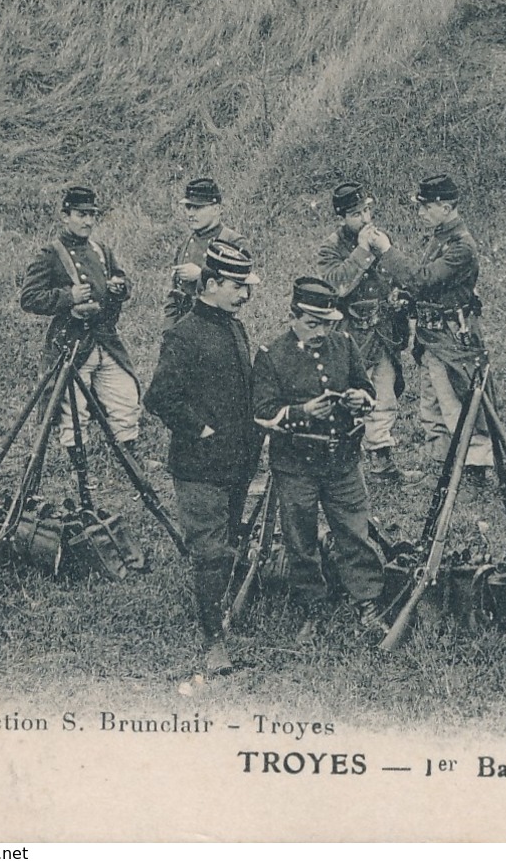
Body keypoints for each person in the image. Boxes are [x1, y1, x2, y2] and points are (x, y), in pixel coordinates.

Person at [144, 241, 261, 676]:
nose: (244, 294)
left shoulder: (234, 327)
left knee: (227, 543)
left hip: (236, 463)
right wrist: (202, 429)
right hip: (200, 466)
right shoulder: (183, 335)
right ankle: (214, 643)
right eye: (237, 286)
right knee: (211, 552)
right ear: (211, 285)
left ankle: (220, 616)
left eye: (246, 286)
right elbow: (159, 397)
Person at [251, 277, 388, 641]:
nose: (322, 332)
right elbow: (262, 412)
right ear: (292, 316)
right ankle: (312, 605)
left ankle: (367, 601)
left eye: (327, 323)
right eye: (313, 323)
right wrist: (302, 412)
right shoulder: (271, 355)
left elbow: (366, 386)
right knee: (301, 538)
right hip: (296, 465)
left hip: (342, 459)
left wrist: (362, 399)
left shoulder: (343, 345)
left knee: (355, 531)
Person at [373, 174, 493, 479]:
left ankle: (473, 472)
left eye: (426, 207)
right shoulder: (441, 237)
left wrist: (387, 252)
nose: (421, 213)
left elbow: (423, 279)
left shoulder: (461, 246)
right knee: (433, 407)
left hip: (452, 338)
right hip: (432, 337)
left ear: (446, 206)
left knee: (457, 402)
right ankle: (444, 467)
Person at [19, 185, 140, 455]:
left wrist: (120, 287)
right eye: (80, 214)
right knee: (74, 412)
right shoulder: (51, 254)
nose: (88, 221)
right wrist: (68, 297)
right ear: (65, 216)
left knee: (126, 399)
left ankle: (129, 461)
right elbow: (29, 298)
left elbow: (122, 280)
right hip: (72, 342)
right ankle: (79, 470)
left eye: (92, 215)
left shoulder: (101, 250)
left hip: (106, 340)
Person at [317, 183, 412, 481]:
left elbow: (394, 276)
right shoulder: (330, 247)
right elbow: (335, 286)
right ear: (341, 217)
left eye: (367, 210)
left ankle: (382, 461)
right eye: (357, 214)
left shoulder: (381, 239)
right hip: (349, 334)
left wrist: (397, 296)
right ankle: (339, 461)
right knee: (348, 396)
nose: (366, 218)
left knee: (384, 396)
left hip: (382, 332)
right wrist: (361, 250)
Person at [163, 177, 251, 329]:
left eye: (197, 208)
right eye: (188, 207)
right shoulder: (185, 244)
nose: (190, 213)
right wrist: (169, 329)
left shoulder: (233, 242)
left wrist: (201, 275)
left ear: (216, 209)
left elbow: (244, 291)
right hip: (183, 327)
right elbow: (174, 293)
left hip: (218, 326)